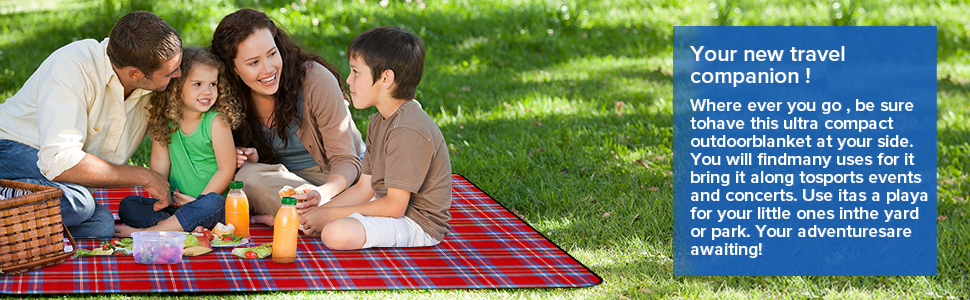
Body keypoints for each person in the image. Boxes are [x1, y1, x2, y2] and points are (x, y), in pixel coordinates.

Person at [0, 11, 182, 238]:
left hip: (59, 179)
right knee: (79, 202)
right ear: (134, 74)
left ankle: (14, 223)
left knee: (101, 225)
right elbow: (59, 162)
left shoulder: (150, 83)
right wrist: (142, 175)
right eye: (170, 73)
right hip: (9, 151)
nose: (179, 74)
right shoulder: (72, 68)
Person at [297, 26, 452, 250]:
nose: (348, 80)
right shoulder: (379, 121)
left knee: (335, 232)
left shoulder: (407, 129)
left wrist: (330, 215)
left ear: (386, 78)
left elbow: (395, 207)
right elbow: (364, 187)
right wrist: (321, 212)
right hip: (387, 206)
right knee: (319, 219)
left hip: (417, 223)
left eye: (356, 72)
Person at [210, 8, 364, 225]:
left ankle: (299, 218)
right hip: (287, 184)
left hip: (338, 179)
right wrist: (247, 158)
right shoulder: (225, 97)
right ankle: (321, 217)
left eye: (272, 54)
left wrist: (322, 194)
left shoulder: (315, 80)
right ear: (233, 68)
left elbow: (347, 160)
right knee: (246, 179)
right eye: (254, 62)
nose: (269, 69)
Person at [115, 47, 242, 237]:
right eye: (198, 84)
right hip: (176, 205)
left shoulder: (216, 122)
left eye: (213, 84)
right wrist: (162, 196)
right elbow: (160, 161)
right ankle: (175, 226)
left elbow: (226, 170)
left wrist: (198, 201)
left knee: (213, 203)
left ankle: (151, 231)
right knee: (128, 205)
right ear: (177, 86)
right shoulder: (164, 120)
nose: (207, 91)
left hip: (208, 207)